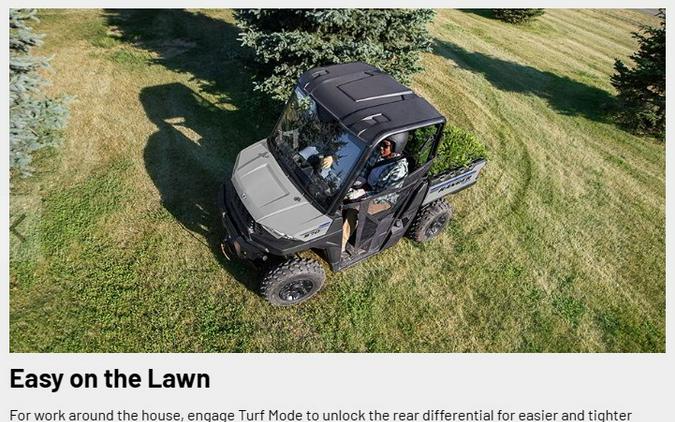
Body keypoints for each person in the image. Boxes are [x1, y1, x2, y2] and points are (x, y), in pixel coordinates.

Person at [342, 136, 409, 252]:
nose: (381, 148)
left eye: (386, 146)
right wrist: (355, 184)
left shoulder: (398, 168)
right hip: (368, 187)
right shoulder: (378, 153)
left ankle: (340, 245)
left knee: (354, 209)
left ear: (396, 147)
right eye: (381, 144)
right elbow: (365, 169)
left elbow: (384, 194)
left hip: (383, 200)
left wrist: (361, 194)